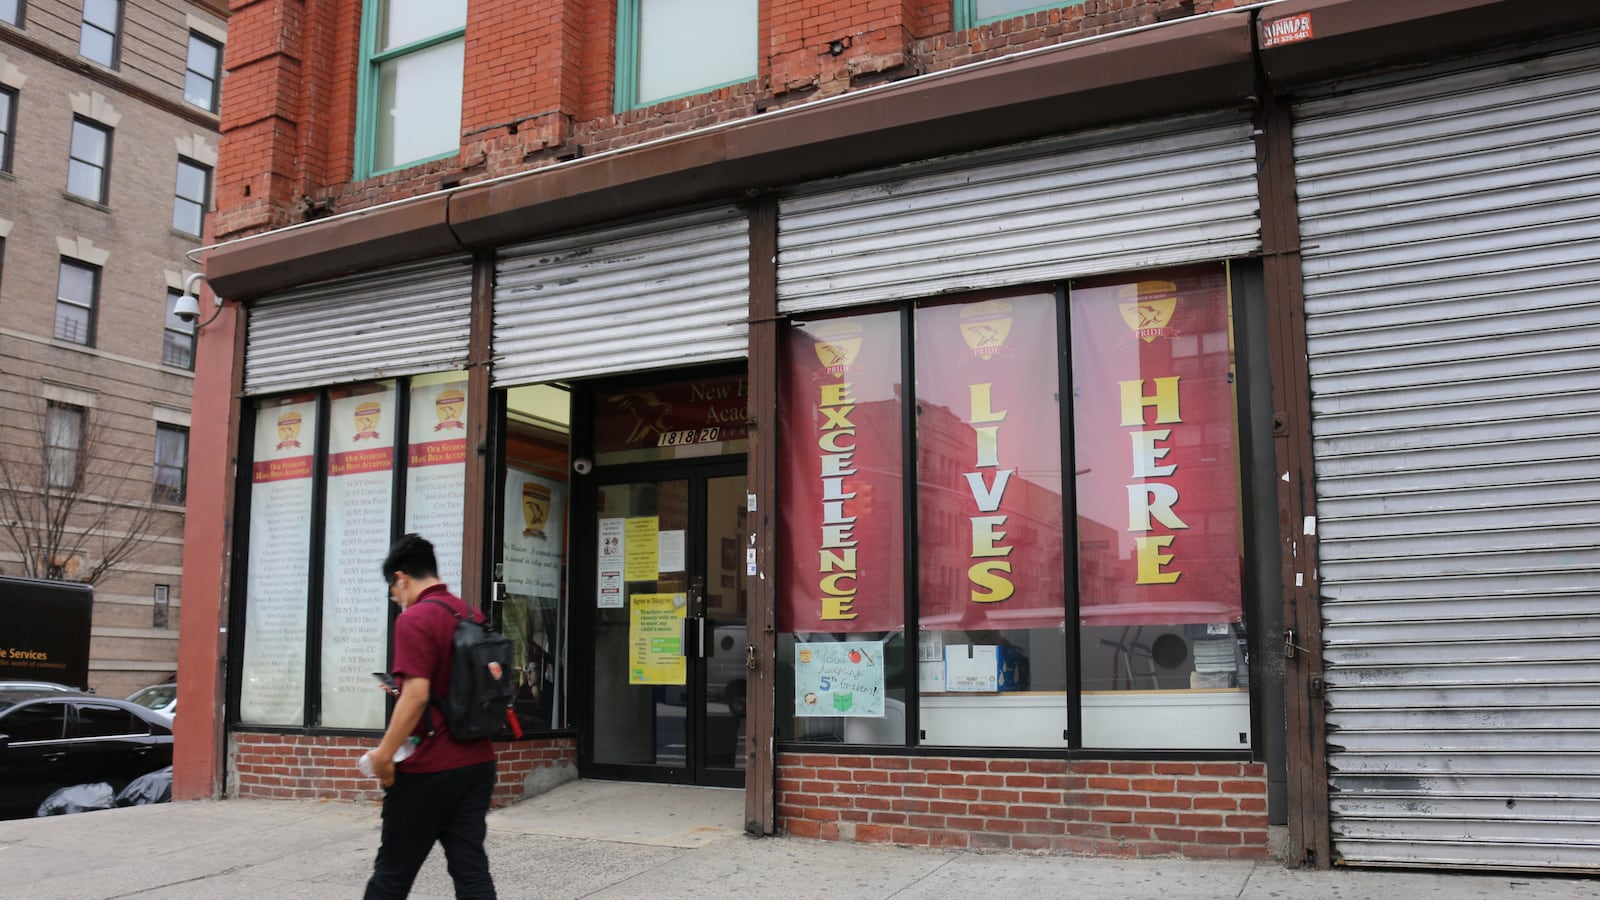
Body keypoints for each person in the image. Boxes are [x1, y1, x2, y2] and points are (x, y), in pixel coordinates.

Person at [364, 533, 497, 899]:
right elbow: (452, 685)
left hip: (429, 768)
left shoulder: (415, 618)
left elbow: (418, 695)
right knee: (471, 874)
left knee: (391, 875)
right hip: (477, 763)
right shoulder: (471, 615)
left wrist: (383, 756)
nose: (397, 600)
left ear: (401, 578)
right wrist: (405, 688)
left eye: (394, 593)